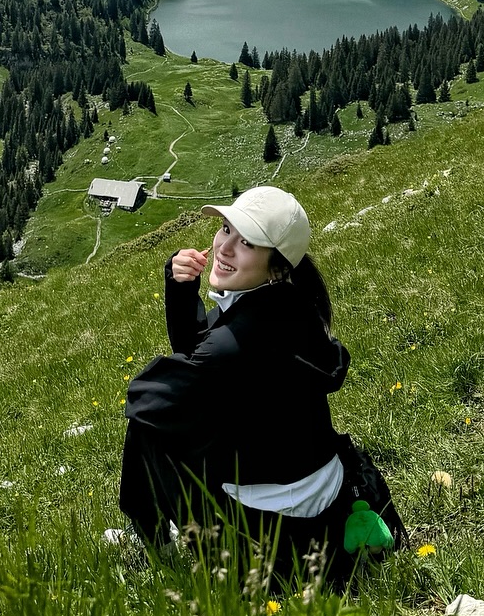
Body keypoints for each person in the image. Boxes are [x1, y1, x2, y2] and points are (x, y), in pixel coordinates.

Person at [120, 185, 367, 585]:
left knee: (148, 429)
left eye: (247, 242)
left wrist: (169, 374)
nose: (224, 247)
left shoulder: (234, 343)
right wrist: (182, 290)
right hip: (323, 498)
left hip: (272, 529)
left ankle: (156, 542)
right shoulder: (291, 305)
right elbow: (206, 358)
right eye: (225, 228)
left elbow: (148, 399)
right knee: (186, 411)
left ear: (277, 267)